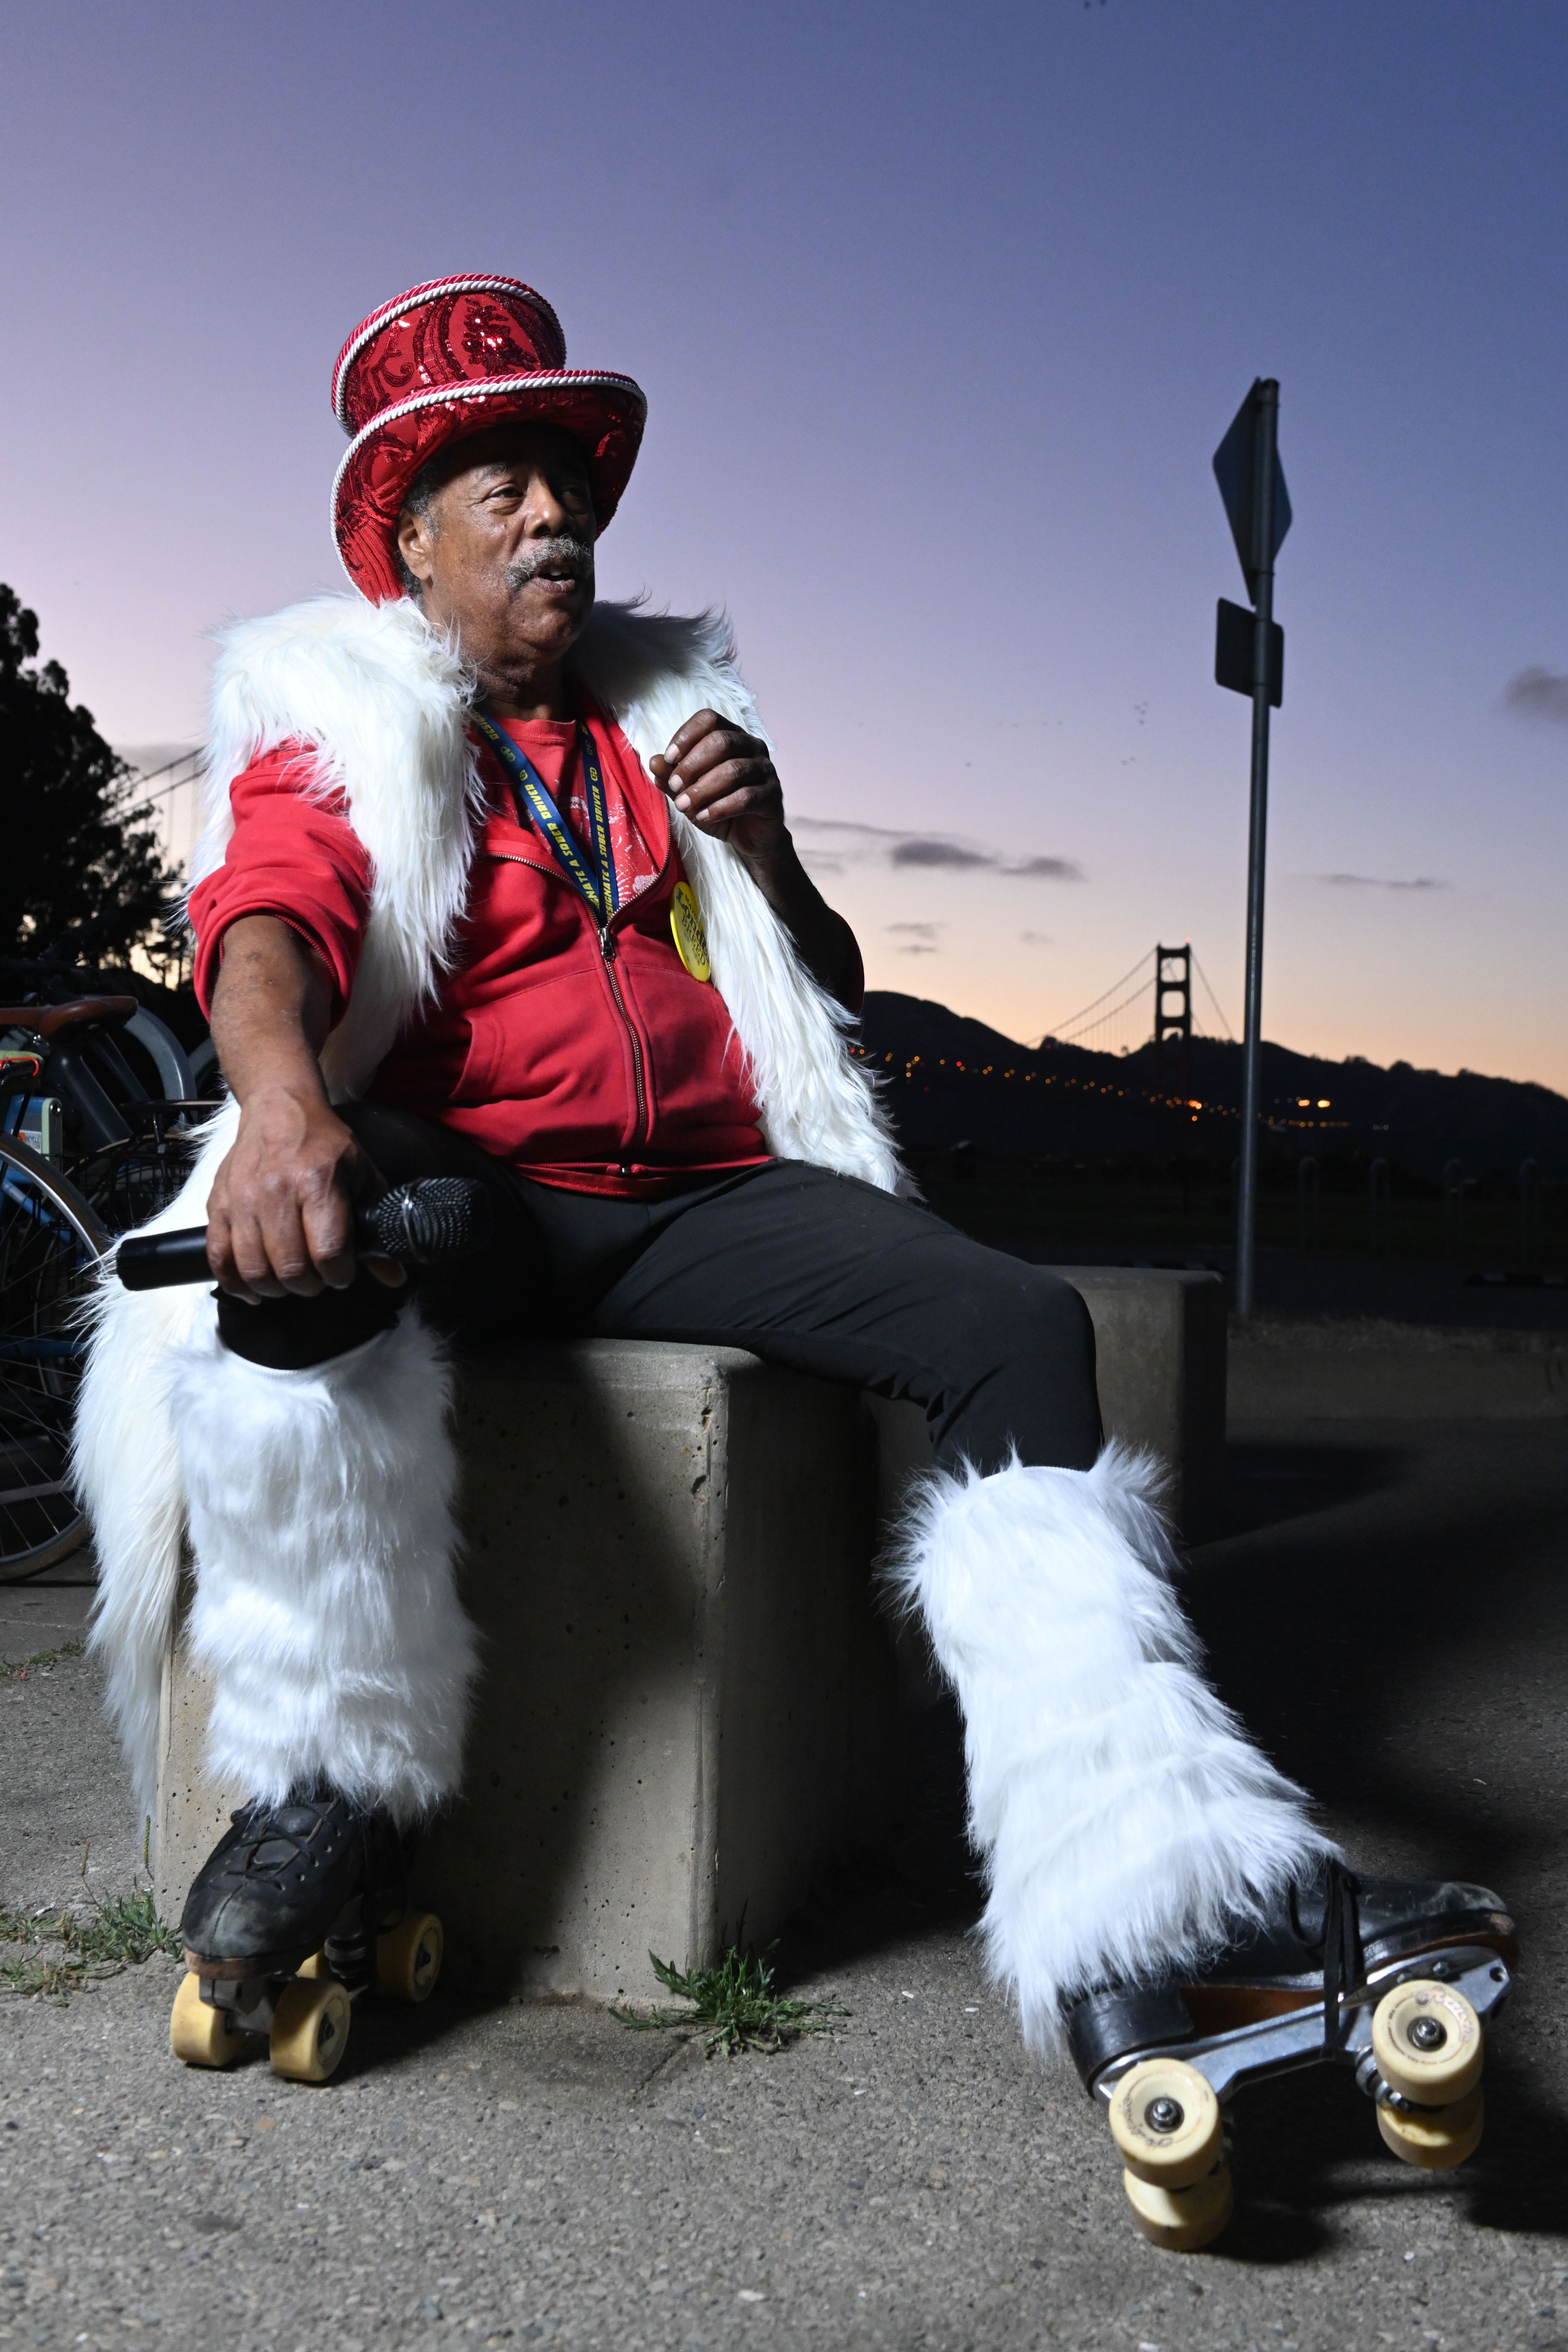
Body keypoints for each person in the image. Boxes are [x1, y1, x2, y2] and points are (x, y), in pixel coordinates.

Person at [76, 276, 1509, 2136]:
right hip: (484, 1184)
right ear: (409, 549)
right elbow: (265, 910)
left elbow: (819, 979)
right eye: (503, 488)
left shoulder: (668, 728)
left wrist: (768, 850)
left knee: (1019, 1325)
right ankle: (322, 1787)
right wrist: (278, 1106)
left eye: (567, 486)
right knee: (315, 1241)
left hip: (700, 1193)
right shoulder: (341, 718)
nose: (554, 517)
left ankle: (1145, 1891)